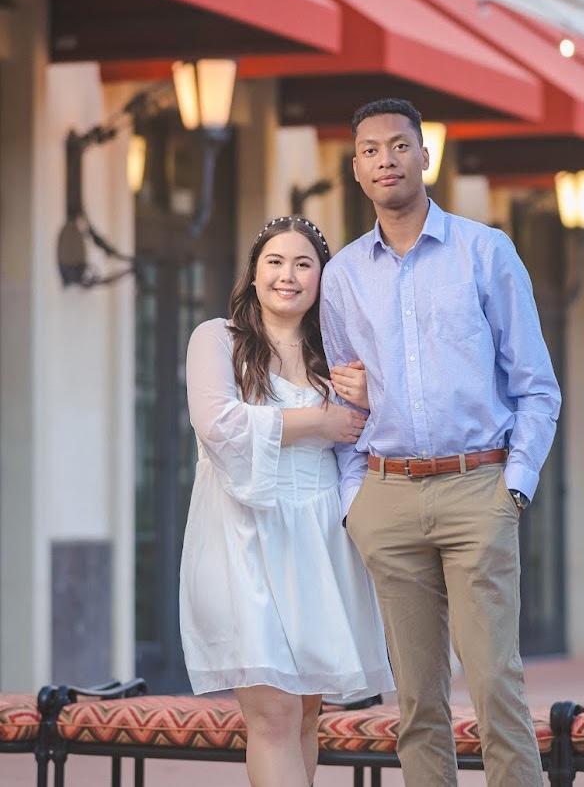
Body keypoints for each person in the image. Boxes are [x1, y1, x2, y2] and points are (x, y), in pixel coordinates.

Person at [321, 99, 562, 787]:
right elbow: (346, 394)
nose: (386, 160)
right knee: (417, 706)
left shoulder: (486, 252)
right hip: (387, 497)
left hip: (476, 489)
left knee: (496, 691)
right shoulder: (342, 276)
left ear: (426, 155)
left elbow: (536, 386)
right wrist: (353, 502)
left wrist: (514, 484)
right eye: (370, 150)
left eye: (399, 146)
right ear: (357, 170)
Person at [180, 215, 394, 787]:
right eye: (275, 261)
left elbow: (372, 430)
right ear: (253, 273)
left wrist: (367, 400)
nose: (288, 276)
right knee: (272, 713)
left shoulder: (338, 357)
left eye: (304, 264)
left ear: (323, 278)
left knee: (304, 712)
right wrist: (320, 421)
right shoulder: (217, 339)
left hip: (320, 540)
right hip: (244, 538)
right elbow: (219, 424)